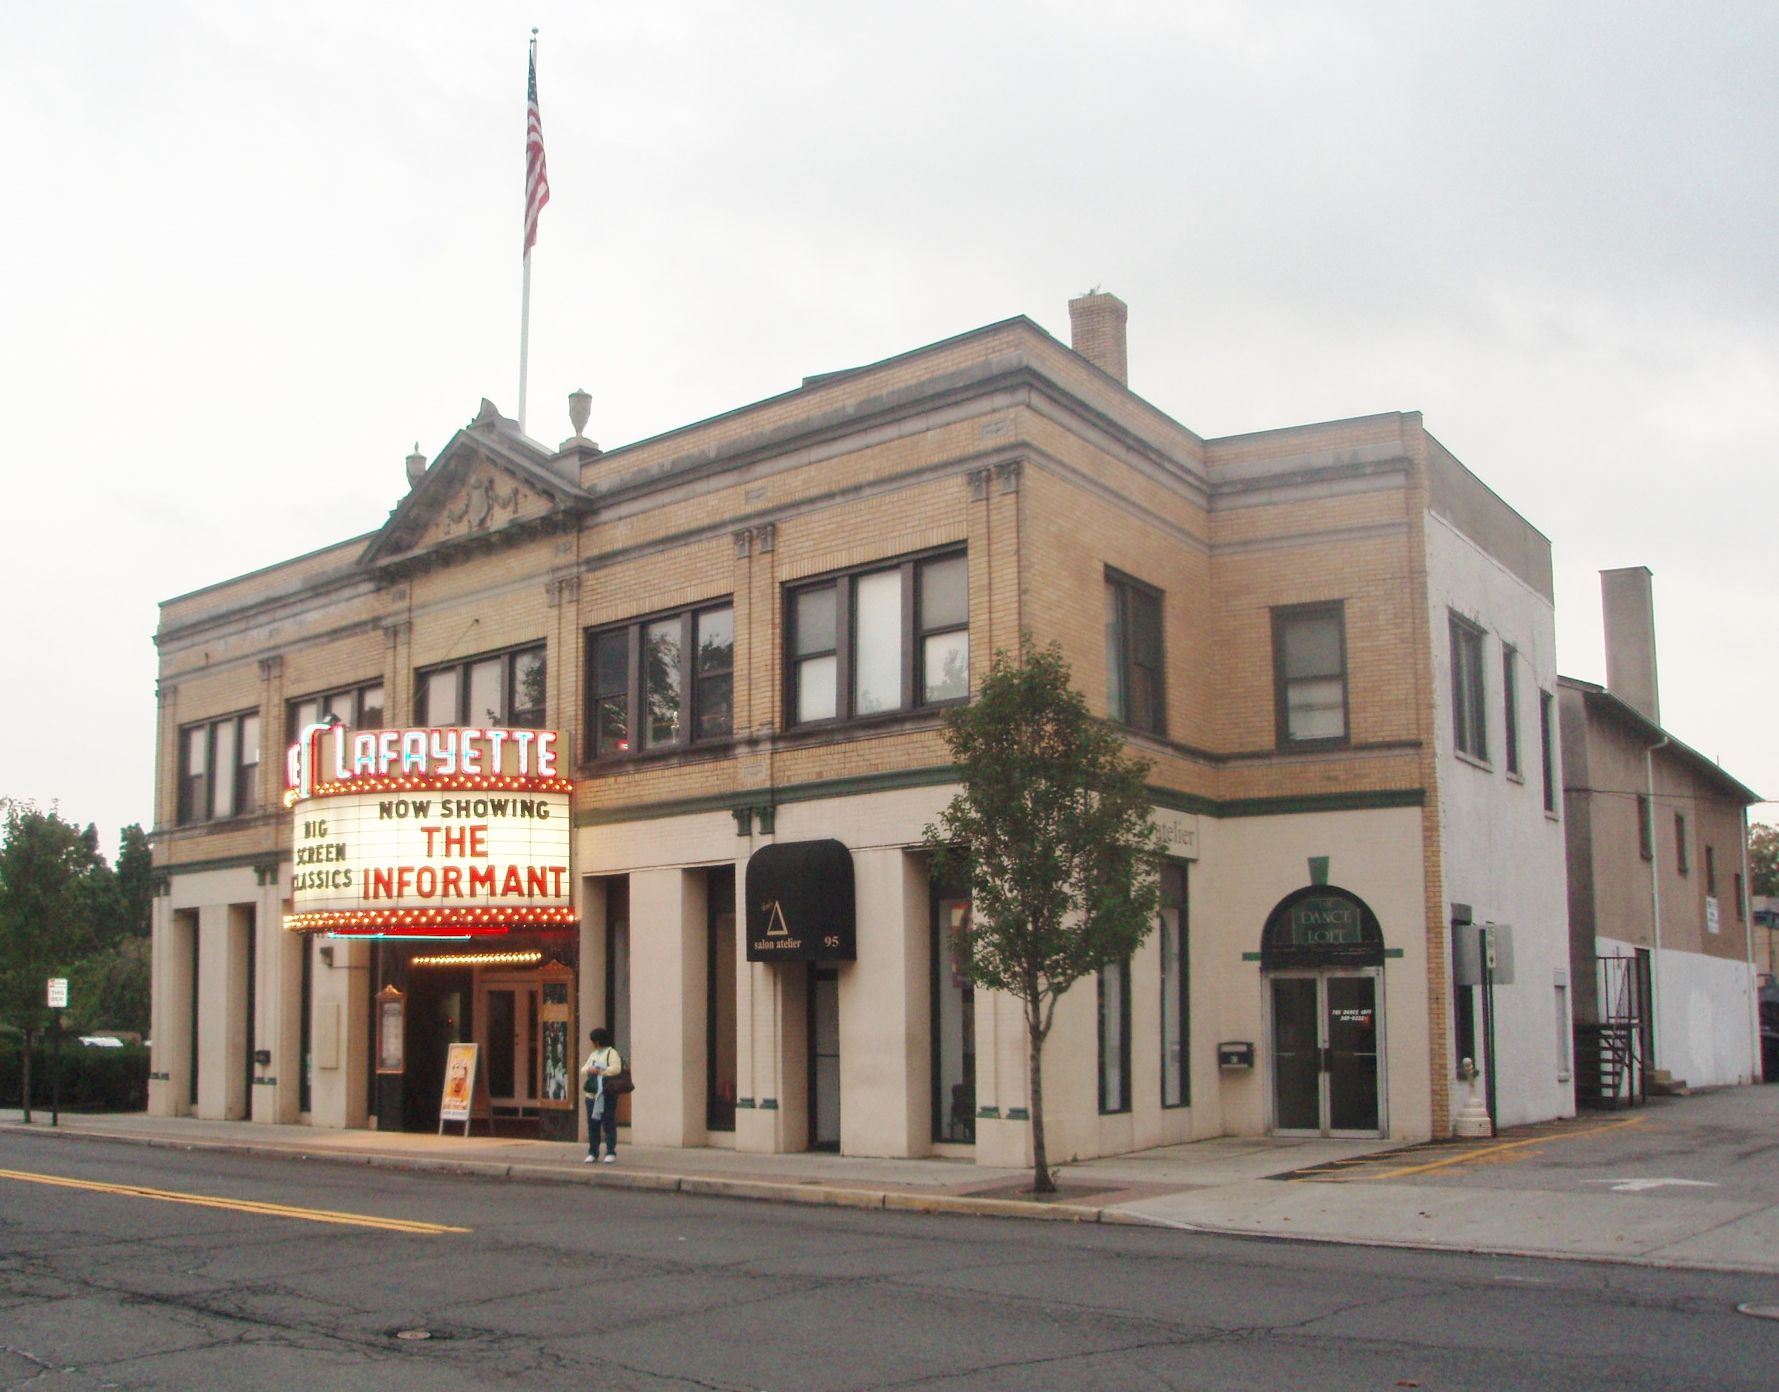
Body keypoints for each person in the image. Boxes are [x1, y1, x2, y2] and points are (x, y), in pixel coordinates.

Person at [579, 1027, 623, 1164]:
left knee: (608, 1123)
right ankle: (593, 1152)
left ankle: (610, 1151)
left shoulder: (611, 1053)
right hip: (592, 1095)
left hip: (606, 1093)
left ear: (598, 1040)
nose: (592, 1043)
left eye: (593, 1040)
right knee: (593, 1124)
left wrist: (600, 1071)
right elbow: (583, 1069)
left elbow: (616, 1069)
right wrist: (590, 1069)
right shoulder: (593, 1054)